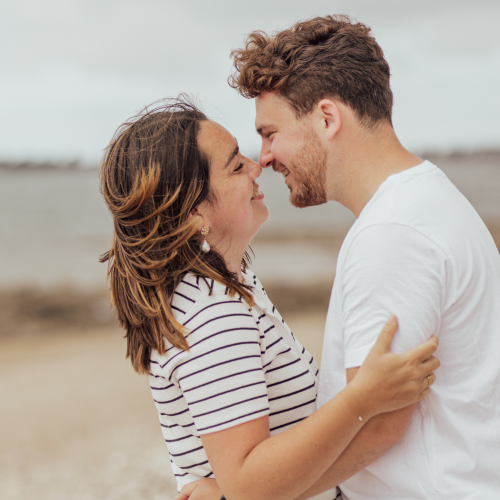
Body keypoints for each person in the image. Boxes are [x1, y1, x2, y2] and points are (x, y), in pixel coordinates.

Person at [99, 98, 439, 500]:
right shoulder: (211, 311)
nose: (257, 166)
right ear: (194, 214)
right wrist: (363, 398)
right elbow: (249, 484)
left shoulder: (221, 290)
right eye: (235, 165)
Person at [227, 14, 500, 500]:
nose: (264, 157)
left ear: (327, 118)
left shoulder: (393, 233)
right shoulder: (421, 201)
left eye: (270, 132)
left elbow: (379, 424)